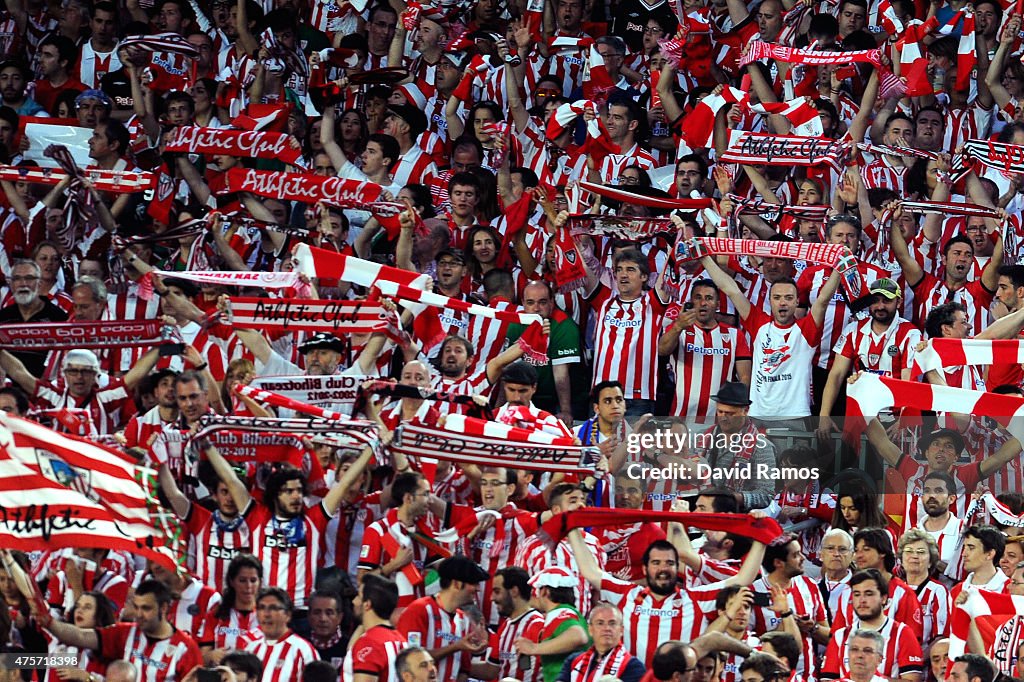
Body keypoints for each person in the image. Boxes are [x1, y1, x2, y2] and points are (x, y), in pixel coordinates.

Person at [39, 578, 203, 682]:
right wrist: (48, 622)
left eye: (87, 607)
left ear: (164, 608)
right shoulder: (62, 649)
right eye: (136, 607)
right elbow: (28, 662)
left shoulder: (103, 660)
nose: (138, 615)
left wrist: (87, 678)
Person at [555, 602, 646, 682]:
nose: (606, 628)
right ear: (590, 629)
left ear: (621, 630)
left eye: (612, 623)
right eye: (600, 623)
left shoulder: (633, 666)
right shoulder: (573, 661)